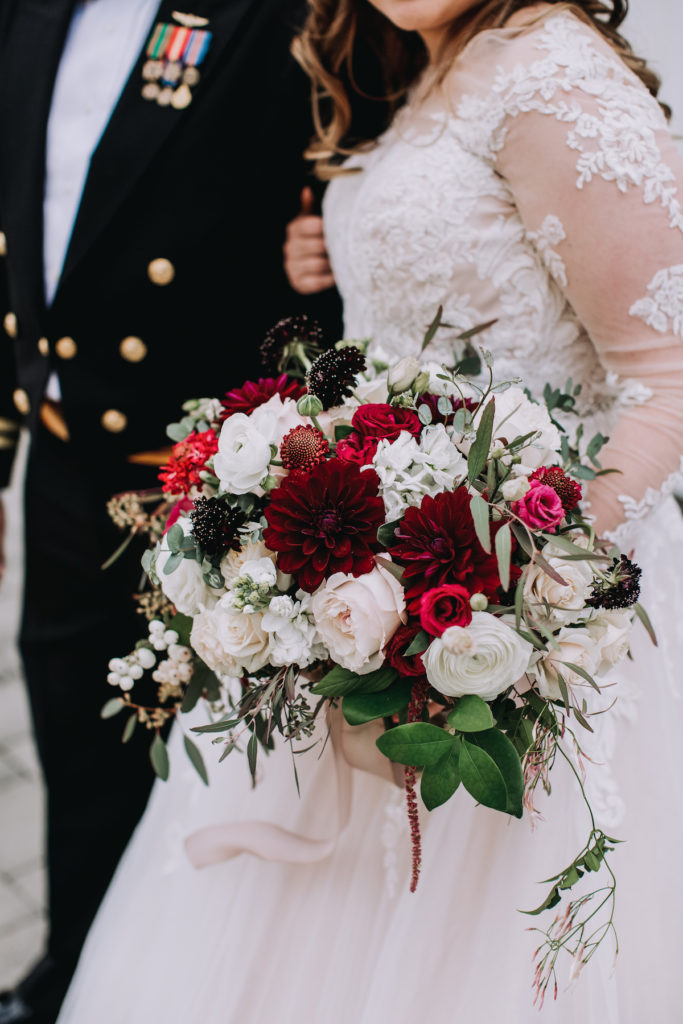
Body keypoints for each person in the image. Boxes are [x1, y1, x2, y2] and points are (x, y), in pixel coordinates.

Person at [56, 1, 683, 1021]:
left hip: (516, 609)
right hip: (371, 596)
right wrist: (334, 246)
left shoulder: (550, 73)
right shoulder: (427, 65)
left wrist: (519, 586)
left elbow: (665, 373)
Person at [0, 2, 341, 1022]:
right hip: (62, 462)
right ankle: (71, 971)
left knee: (209, 770)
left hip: (214, 486)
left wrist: (332, 234)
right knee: (72, 732)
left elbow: (367, 155)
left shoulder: (276, 12)